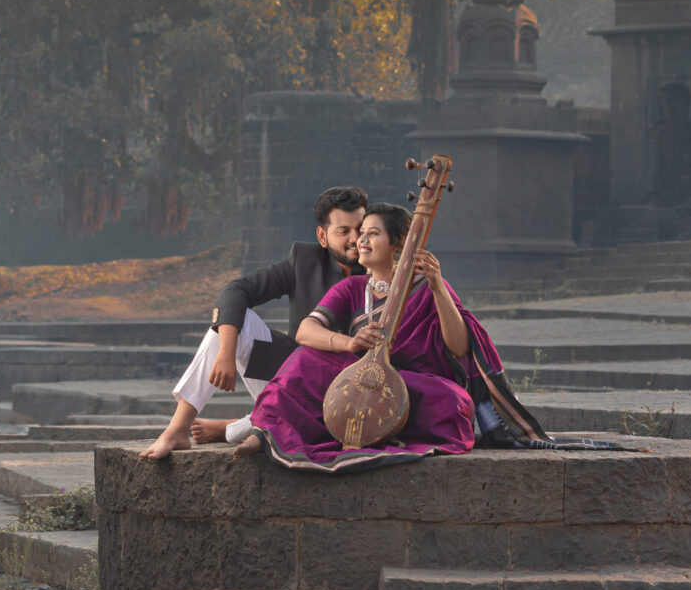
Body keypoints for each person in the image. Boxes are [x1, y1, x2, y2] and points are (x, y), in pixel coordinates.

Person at [234, 200, 551, 473]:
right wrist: (350, 343)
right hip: (361, 381)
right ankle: (265, 433)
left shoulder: (426, 287)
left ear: (398, 244)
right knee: (305, 361)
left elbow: (458, 347)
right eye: (362, 233)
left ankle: (365, 431)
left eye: (373, 233)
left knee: (454, 402)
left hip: (412, 385)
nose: (361, 240)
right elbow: (306, 331)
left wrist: (438, 287)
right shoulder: (353, 288)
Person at [137, 185, 367, 461]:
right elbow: (236, 291)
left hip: (351, 392)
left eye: (361, 229)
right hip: (295, 377)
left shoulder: (382, 266)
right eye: (343, 231)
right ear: (322, 236)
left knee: (286, 429)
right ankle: (177, 428)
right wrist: (226, 352)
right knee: (234, 324)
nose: (356, 239)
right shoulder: (304, 262)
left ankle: (232, 428)